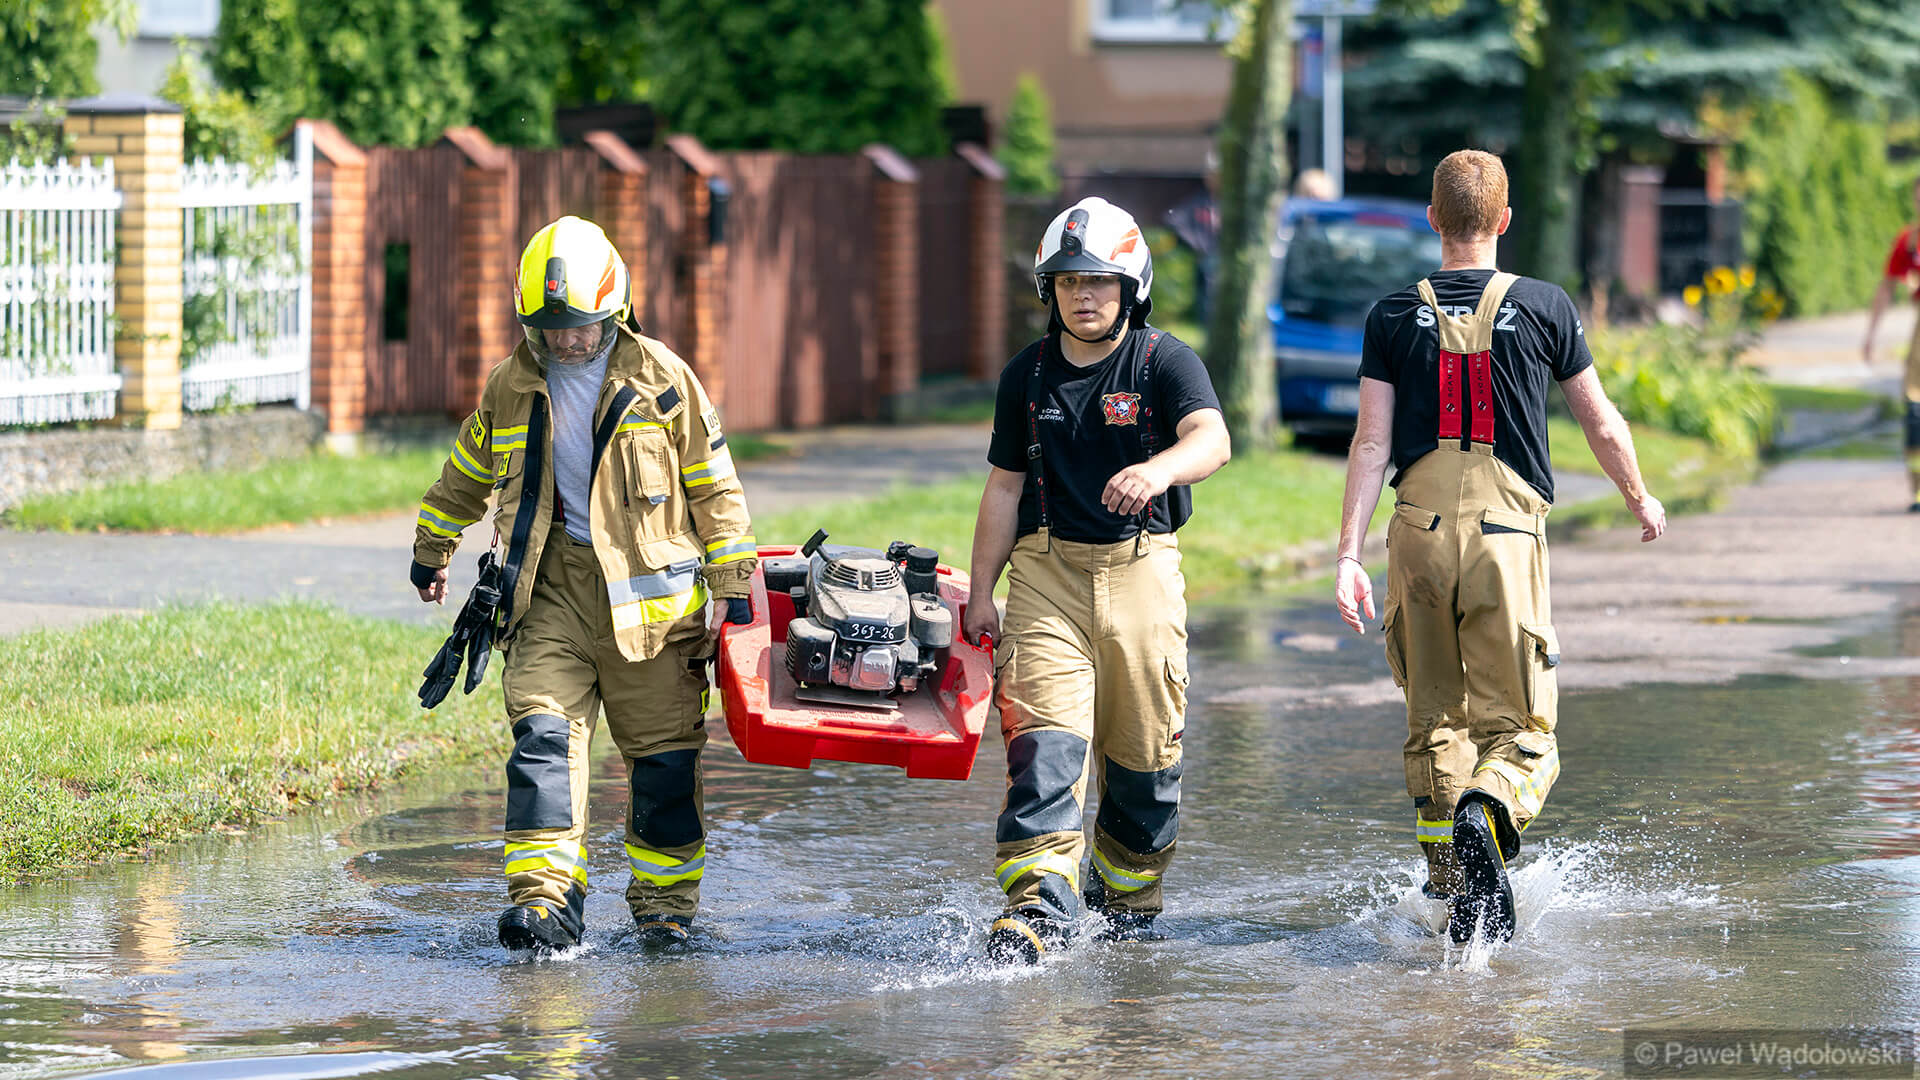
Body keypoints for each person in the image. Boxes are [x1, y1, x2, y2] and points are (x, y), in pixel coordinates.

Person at [1331, 151, 1667, 944]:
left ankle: (1452, 895)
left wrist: (1348, 552)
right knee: (1520, 728)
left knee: (1435, 721)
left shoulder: (1388, 316)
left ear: (1432, 220)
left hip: (1415, 533)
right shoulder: (1547, 306)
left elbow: (1370, 442)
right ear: (1504, 221)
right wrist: (1638, 496)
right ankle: (1490, 814)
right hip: (1507, 537)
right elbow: (1599, 419)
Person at [410, 215, 757, 953]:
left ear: (616, 310)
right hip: (549, 592)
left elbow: (715, 487)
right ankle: (545, 904)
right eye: (552, 328)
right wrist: (432, 547)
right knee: (541, 739)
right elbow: (466, 474)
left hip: (653, 610)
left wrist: (732, 585)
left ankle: (665, 912)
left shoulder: (663, 378)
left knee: (664, 766)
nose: (568, 341)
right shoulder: (512, 386)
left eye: (583, 326)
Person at [964, 196, 1231, 964]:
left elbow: (1211, 439)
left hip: (1143, 573)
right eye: (1069, 281)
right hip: (1047, 579)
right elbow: (1003, 488)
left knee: (1144, 764)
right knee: (1046, 749)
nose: (1084, 295)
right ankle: (1037, 913)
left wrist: (1157, 470)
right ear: (1048, 289)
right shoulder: (1027, 374)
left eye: (1101, 282)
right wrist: (983, 592)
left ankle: (1126, 905)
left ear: (1131, 287)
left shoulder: (1164, 361)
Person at [1859, 173, 1920, 513]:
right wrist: (1870, 335)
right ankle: (1918, 491)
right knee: (1914, 413)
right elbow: (1886, 288)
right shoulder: (1909, 242)